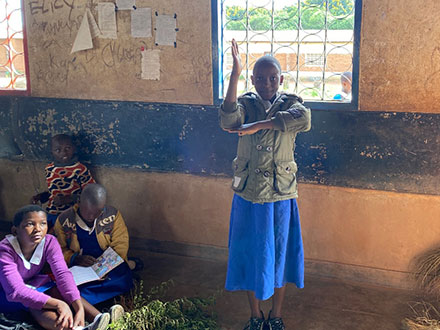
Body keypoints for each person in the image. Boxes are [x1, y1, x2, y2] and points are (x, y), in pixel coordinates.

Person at [219, 39, 311, 330]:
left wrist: (258, 126)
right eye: (259, 78)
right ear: (252, 79)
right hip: (248, 195)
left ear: (281, 79)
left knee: (279, 256)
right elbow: (228, 120)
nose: (266, 83)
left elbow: (304, 119)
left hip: (280, 196)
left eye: (272, 78)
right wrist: (235, 73)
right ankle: (255, 315)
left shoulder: (292, 104)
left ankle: (277, 315)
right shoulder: (245, 102)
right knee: (250, 254)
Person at [0, 205, 119, 330]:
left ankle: (102, 320)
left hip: (31, 283)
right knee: (35, 304)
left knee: (57, 289)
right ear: (15, 231)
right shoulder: (5, 251)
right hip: (6, 293)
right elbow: (16, 291)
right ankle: (77, 329)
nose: (38, 229)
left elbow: (62, 274)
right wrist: (58, 304)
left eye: (43, 223)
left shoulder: (49, 242)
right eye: (30, 224)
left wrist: (79, 308)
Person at [54, 184, 133, 305]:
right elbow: (59, 249)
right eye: (87, 211)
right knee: (74, 288)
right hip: (81, 267)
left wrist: (104, 267)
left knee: (122, 279)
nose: (91, 217)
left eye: (97, 212)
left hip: (109, 264)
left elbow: (120, 244)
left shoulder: (112, 215)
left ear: (103, 207)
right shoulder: (64, 220)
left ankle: (97, 302)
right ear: (79, 202)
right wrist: (74, 258)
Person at [31, 134, 96, 228]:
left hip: (74, 215)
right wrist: (40, 197)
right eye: (58, 150)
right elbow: (52, 193)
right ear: (52, 152)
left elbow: (92, 195)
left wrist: (69, 198)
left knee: (68, 240)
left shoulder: (80, 169)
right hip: (52, 214)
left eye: (68, 148)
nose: (64, 153)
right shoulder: (49, 169)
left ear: (74, 148)